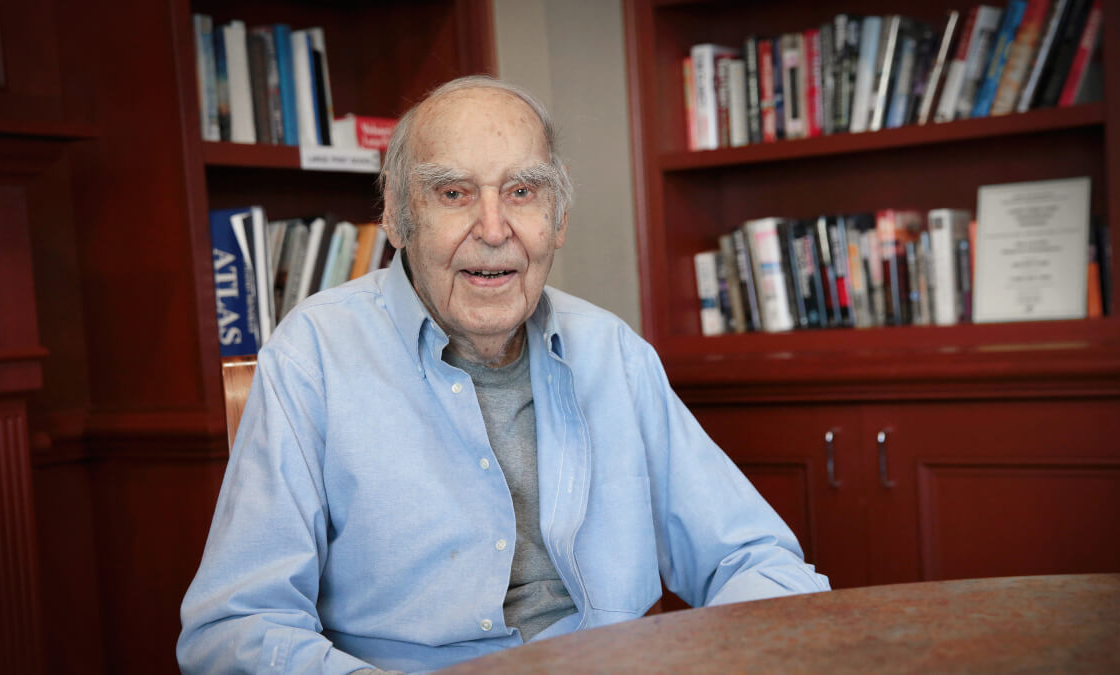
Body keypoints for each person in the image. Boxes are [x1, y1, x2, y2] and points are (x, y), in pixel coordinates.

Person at [177, 75, 829, 674]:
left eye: (522, 192)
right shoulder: (313, 357)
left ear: (558, 217)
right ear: (399, 216)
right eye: (454, 193)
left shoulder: (614, 353)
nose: (494, 230)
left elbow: (757, 560)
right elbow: (236, 627)